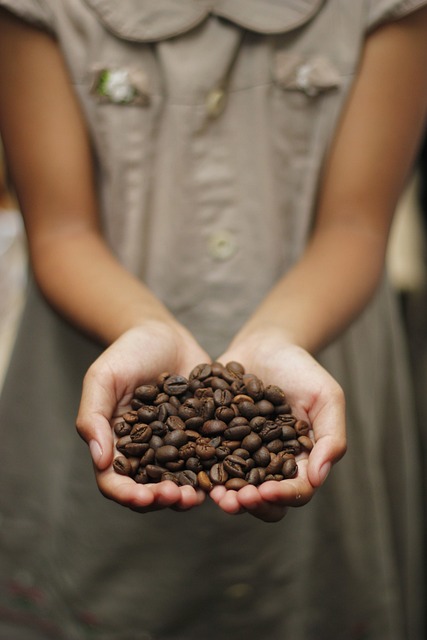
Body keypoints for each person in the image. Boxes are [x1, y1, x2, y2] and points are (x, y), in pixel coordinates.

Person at [0, 1, 426, 639]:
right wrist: (145, 327)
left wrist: (277, 336)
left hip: (328, 346)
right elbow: (60, 230)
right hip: (82, 369)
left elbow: (357, 227)